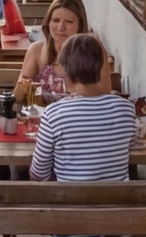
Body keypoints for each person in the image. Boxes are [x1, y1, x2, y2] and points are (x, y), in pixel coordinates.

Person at [30, 33, 139, 182]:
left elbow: (38, 174)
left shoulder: (53, 115)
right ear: (101, 67)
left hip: (71, 203)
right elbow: (130, 145)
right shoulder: (126, 109)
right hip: (117, 202)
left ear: (66, 72)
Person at [13, 0, 117, 104]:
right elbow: (17, 98)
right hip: (41, 118)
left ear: (80, 25)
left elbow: (105, 97)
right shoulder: (36, 51)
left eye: (69, 22)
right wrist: (22, 89)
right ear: (48, 22)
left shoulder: (94, 52)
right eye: (56, 20)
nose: (60, 28)